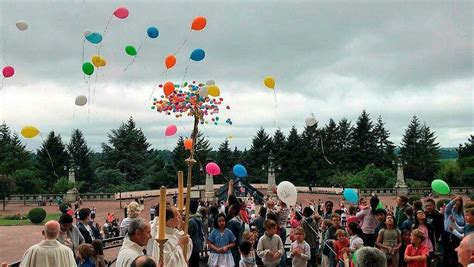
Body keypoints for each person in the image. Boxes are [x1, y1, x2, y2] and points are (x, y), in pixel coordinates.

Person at [443, 195, 465, 266]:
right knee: (447, 255)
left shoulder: (461, 213)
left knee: (455, 255)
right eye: (454, 201)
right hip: (448, 235)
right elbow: (448, 207)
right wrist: (455, 199)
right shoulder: (448, 211)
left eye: (458, 201)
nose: (456, 202)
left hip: (458, 236)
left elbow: (463, 226)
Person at [188, 200, 204, 267]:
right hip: (198, 243)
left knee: (193, 263)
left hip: (193, 245)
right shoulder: (199, 217)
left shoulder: (191, 221)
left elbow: (189, 234)